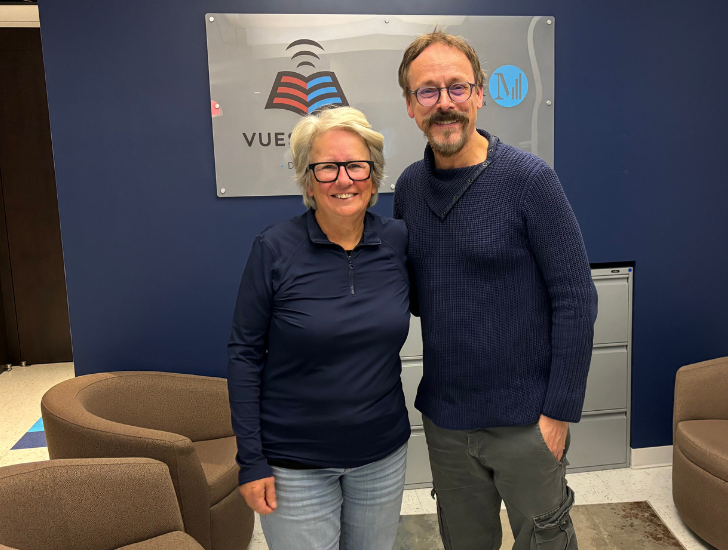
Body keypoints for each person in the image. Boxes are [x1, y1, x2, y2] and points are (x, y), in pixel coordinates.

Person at [393, 31, 597, 550]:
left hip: (527, 420)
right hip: (447, 420)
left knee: (545, 539)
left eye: (458, 88)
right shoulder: (410, 189)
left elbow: (575, 296)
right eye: (428, 91)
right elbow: (419, 296)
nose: (445, 103)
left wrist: (558, 413)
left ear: (480, 94)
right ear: (410, 105)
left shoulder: (530, 179)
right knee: (463, 541)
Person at [227, 106, 411, 550]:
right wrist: (251, 460)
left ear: (374, 175)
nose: (343, 179)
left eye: (355, 166)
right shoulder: (274, 248)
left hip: (381, 455)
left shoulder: (398, 241)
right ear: (308, 181)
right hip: (294, 463)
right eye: (327, 167)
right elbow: (244, 355)